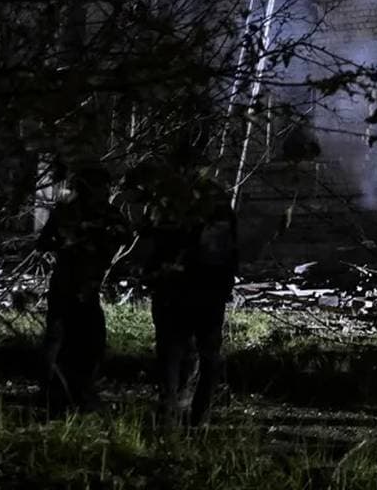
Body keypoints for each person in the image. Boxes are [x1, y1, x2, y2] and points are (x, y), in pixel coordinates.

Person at [142, 174, 238, 427]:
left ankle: (180, 414)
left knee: (180, 354)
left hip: (186, 289)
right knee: (192, 355)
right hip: (194, 290)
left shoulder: (172, 197)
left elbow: (153, 241)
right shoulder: (194, 200)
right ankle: (190, 416)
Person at [36, 164, 128, 414]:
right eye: (102, 186)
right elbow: (44, 242)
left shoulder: (101, 213)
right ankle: (59, 394)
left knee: (79, 341)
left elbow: (125, 235)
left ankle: (68, 393)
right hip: (71, 283)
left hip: (83, 284)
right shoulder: (72, 212)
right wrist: (69, 243)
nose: (105, 191)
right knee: (70, 341)